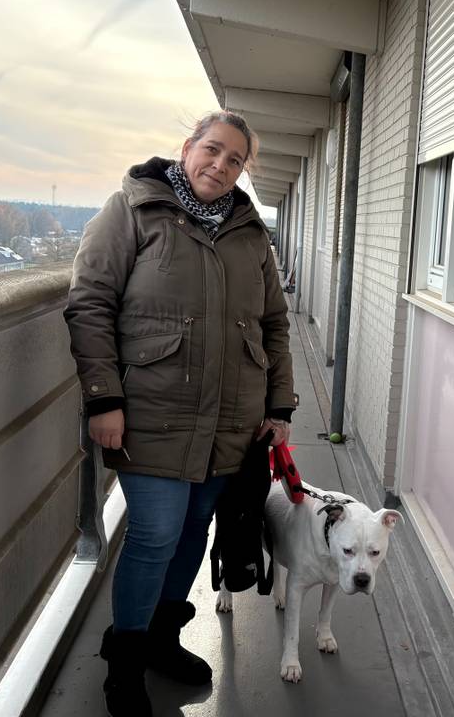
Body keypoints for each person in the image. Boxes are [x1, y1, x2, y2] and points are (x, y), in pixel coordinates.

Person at [64, 110, 294, 716]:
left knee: (195, 532)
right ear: (187, 147)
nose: (220, 165)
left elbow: (273, 324)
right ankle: (125, 665)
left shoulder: (250, 232)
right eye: (212, 150)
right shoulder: (133, 210)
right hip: (151, 417)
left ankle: (164, 641)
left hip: (232, 420)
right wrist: (103, 399)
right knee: (155, 534)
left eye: (235, 159)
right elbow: (90, 303)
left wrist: (280, 405)